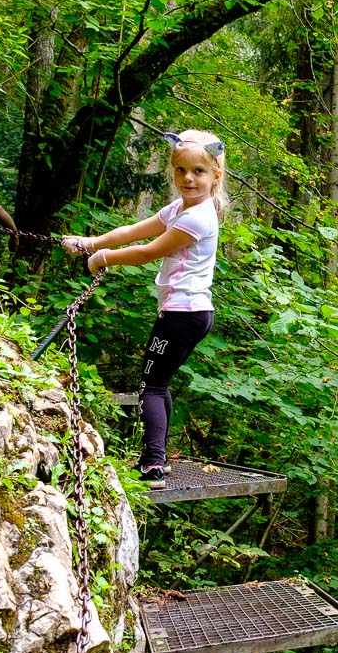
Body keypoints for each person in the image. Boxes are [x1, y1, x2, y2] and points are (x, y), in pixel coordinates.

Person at [62, 129, 225, 488]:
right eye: (181, 170)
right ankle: (159, 460)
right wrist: (91, 243)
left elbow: (149, 251)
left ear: (215, 176)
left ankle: (152, 464)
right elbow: (136, 230)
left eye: (198, 171)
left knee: (150, 386)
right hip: (188, 313)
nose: (188, 179)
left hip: (183, 315)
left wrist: (103, 258)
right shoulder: (182, 207)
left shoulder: (198, 217)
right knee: (159, 383)